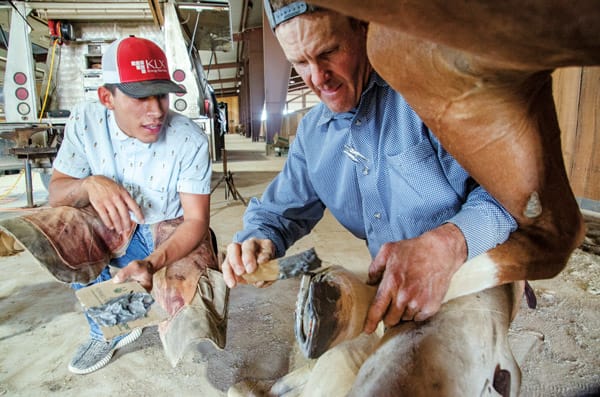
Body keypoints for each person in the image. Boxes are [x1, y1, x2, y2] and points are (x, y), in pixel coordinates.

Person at [222, 1, 520, 394]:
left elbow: (507, 201)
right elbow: (278, 214)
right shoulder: (314, 133)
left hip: (472, 276)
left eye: (329, 53)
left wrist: (445, 244)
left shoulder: (428, 96)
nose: (317, 78)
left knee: (400, 381)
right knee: (336, 378)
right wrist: (258, 239)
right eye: (300, 62)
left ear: (364, 28)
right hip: (392, 285)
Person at [48, 36, 215, 374]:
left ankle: (148, 306)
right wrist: (89, 183)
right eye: (140, 97)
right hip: (115, 227)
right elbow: (56, 193)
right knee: (61, 226)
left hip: (168, 229)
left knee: (191, 308)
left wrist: (153, 263)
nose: (156, 110)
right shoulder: (85, 122)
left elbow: (196, 221)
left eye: (161, 95)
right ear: (107, 97)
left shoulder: (188, 140)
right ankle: (107, 328)